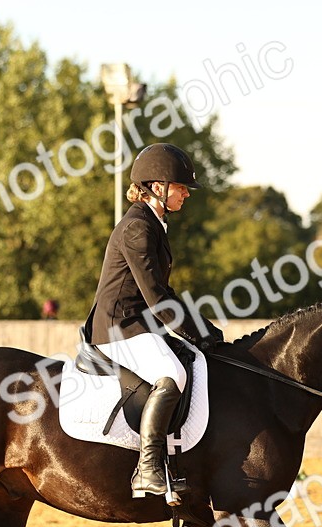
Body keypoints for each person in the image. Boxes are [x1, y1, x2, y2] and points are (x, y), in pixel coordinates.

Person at [84, 143, 224, 498]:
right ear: (157, 187)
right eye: (180, 187)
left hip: (137, 325)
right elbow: (157, 298)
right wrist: (198, 332)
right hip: (119, 328)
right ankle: (147, 469)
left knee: (191, 362)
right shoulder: (137, 228)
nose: (185, 194)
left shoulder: (153, 224)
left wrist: (203, 330)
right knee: (173, 374)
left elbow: (165, 292)